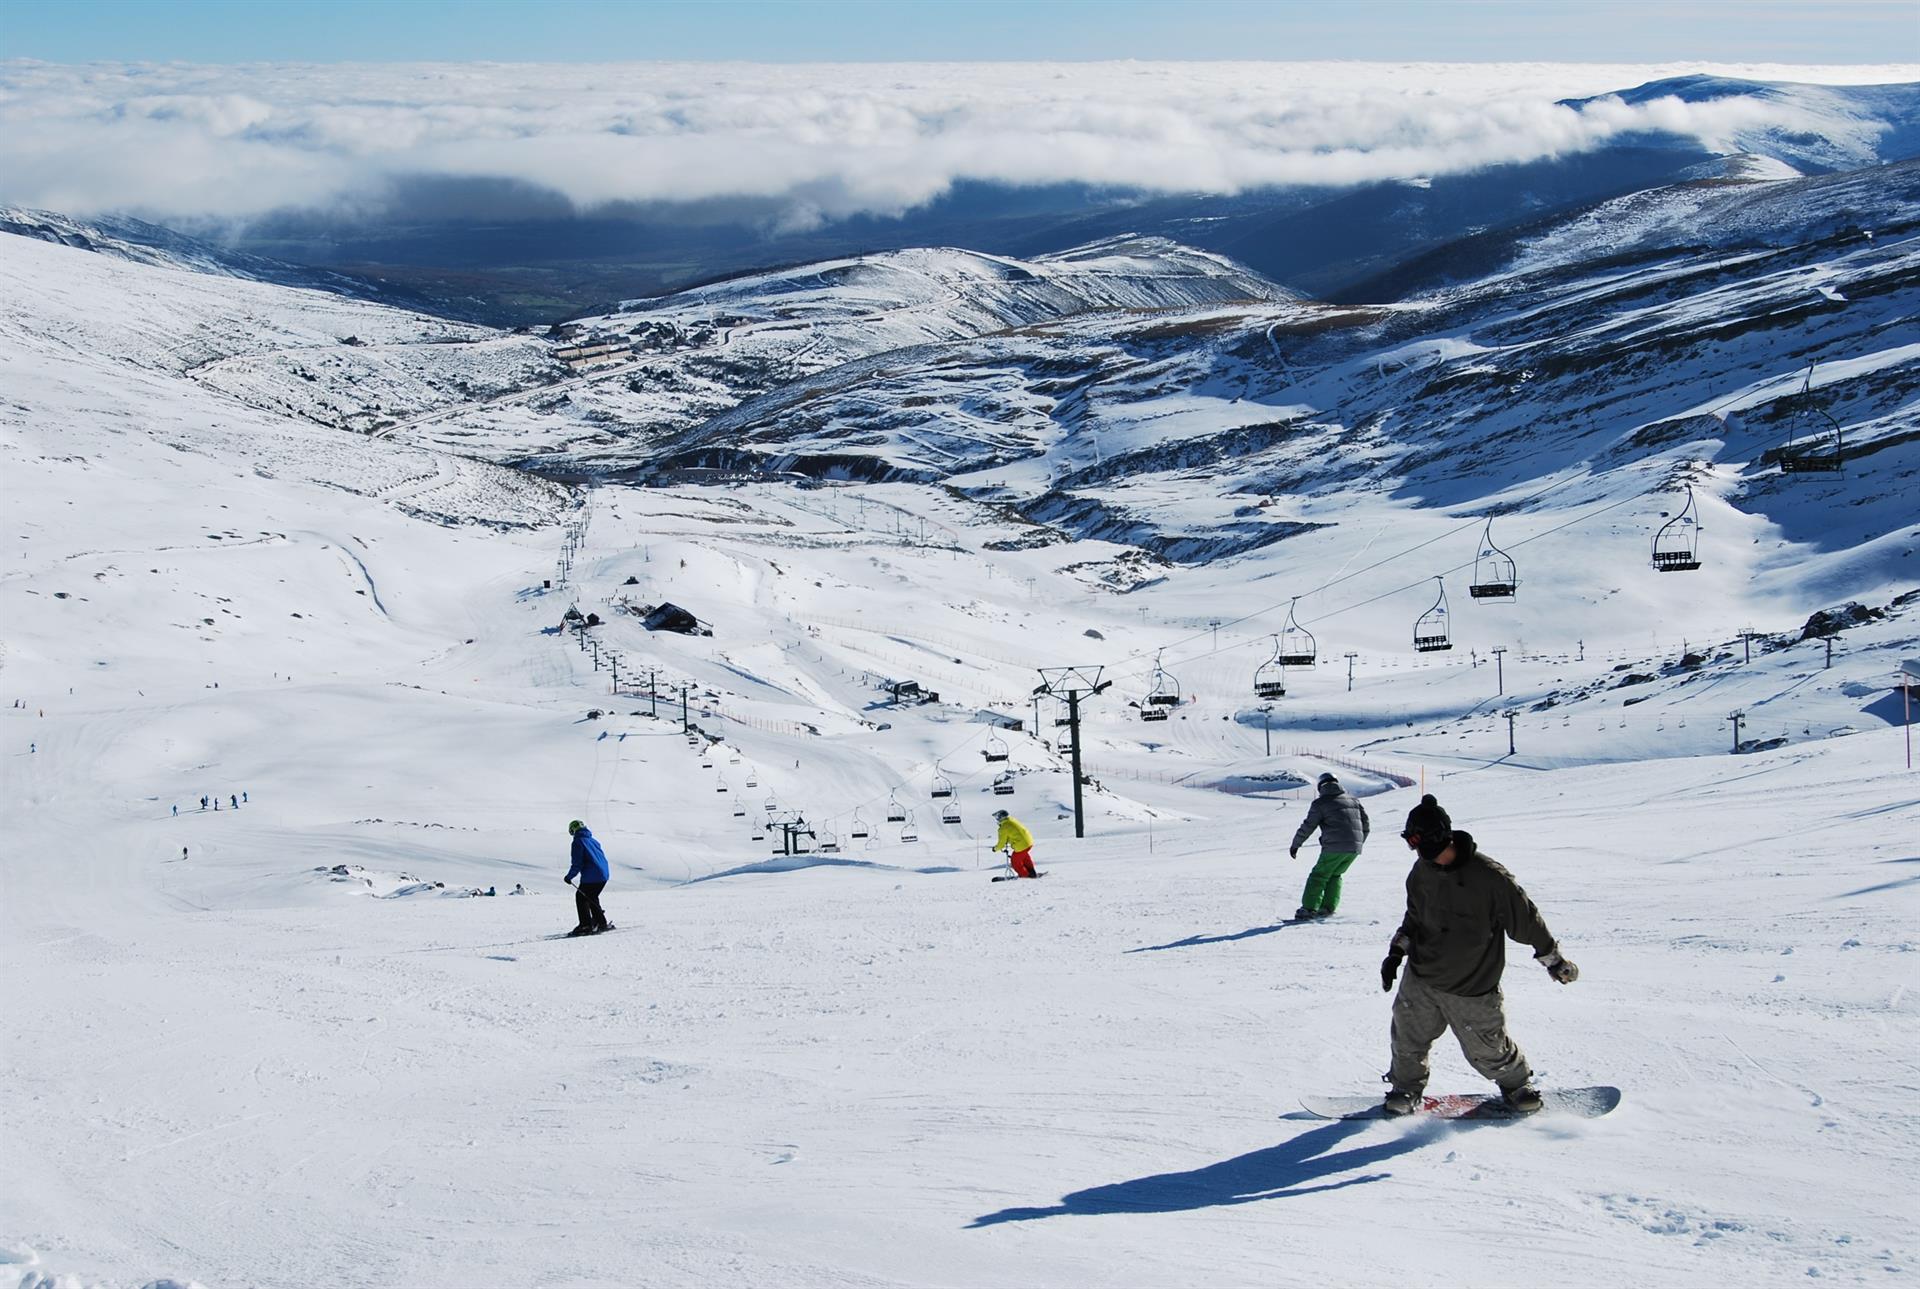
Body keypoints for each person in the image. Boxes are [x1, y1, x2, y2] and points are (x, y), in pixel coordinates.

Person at [1378, 794, 1578, 1117]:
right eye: (1414, 845)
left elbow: (1526, 920)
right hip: (1422, 976)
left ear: (1442, 836)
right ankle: (1405, 1089)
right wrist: (1395, 954)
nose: (1420, 853)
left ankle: (1517, 1086)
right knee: (1408, 1038)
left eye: (1423, 844)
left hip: (1471, 984)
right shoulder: (1421, 872)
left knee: (1487, 1049)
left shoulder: (1488, 877)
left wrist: (1554, 960)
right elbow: (1414, 917)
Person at [1287, 772, 1370, 919]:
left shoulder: (1321, 803)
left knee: (1318, 876)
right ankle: (1328, 907)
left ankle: (1309, 909)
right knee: (1334, 875)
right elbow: (1366, 825)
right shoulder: (1353, 800)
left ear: (1320, 787)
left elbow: (1308, 826)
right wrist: (1357, 843)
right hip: (1355, 848)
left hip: (1334, 847)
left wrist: (1295, 845)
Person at [563, 819, 614, 935]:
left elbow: (577, 863)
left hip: (592, 876)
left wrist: (569, 877)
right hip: (603, 875)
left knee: (581, 897)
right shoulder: (593, 841)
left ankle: (585, 925)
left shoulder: (578, 842)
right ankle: (601, 922)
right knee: (591, 897)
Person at [992, 809, 1037, 878]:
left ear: (1000, 818)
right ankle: (1032, 872)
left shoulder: (1003, 827)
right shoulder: (1012, 820)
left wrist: (995, 849)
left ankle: (1025, 875)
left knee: (1015, 861)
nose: (997, 820)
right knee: (1025, 858)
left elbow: (1001, 844)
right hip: (1029, 842)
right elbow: (1014, 832)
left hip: (1021, 845)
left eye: (997, 818)